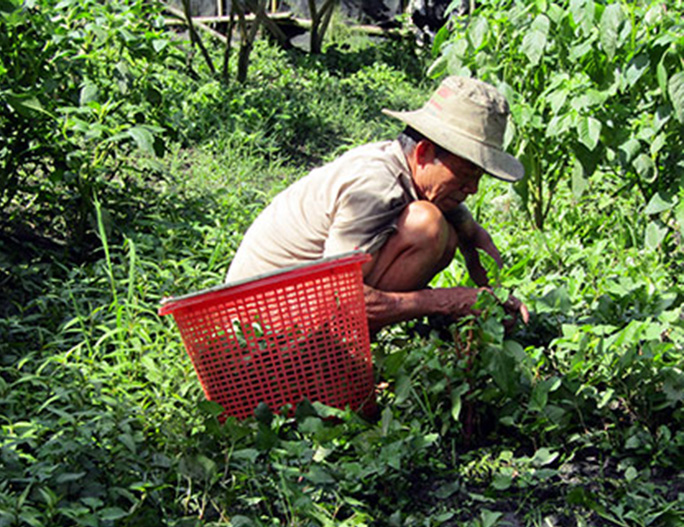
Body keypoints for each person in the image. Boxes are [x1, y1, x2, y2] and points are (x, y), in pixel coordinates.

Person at [226, 75, 529, 334]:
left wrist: (503, 301)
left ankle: (351, 349)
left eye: (478, 178)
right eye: (464, 175)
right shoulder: (376, 187)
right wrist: (446, 301)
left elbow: (474, 237)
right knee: (428, 226)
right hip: (263, 327)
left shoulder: (417, 179)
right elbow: (339, 299)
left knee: (447, 230)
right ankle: (341, 357)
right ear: (423, 153)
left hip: (303, 309)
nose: (473, 189)